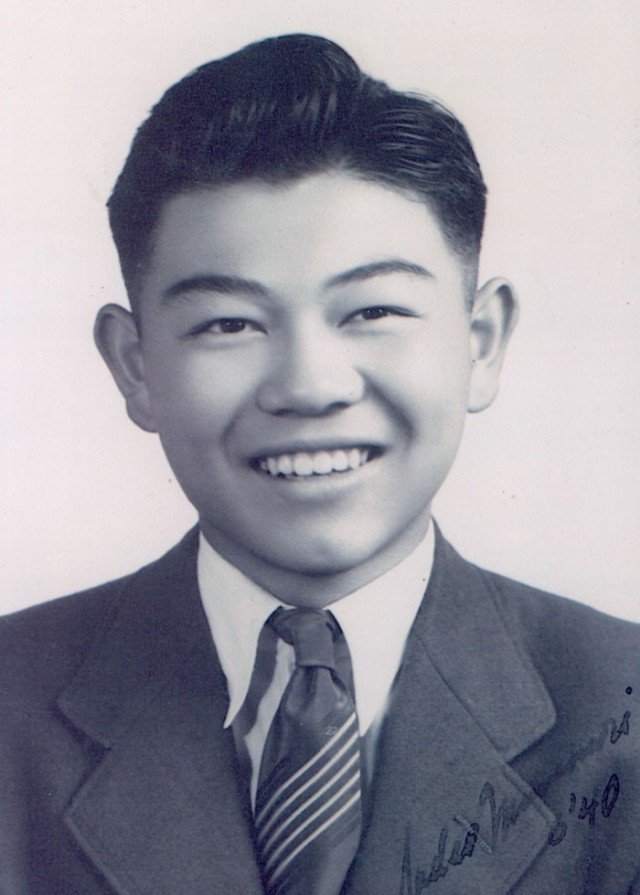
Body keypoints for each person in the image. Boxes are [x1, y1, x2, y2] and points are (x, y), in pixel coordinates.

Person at [1, 33, 638, 895]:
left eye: (373, 309)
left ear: (481, 344)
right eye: (229, 323)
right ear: (135, 364)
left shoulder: (622, 709)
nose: (308, 386)